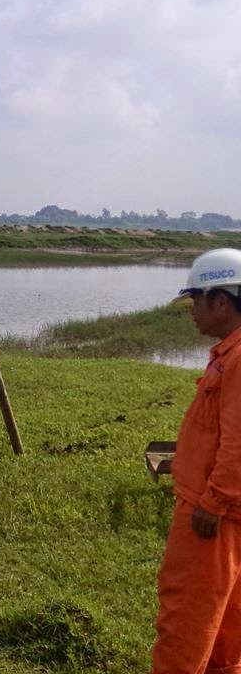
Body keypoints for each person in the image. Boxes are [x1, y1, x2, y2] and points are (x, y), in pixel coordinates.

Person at [152, 248, 241, 673]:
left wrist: (213, 501)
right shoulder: (231, 353)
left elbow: (239, 442)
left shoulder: (240, 359)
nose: (192, 313)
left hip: (213, 513)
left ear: (220, 301)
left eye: (196, 302)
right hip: (226, 510)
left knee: (187, 615)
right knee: (226, 622)